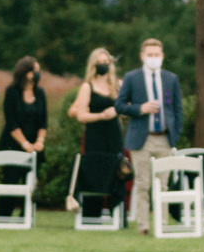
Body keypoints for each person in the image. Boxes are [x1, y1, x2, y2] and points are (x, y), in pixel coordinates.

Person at [115, 38, 184, 233]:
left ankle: (162, 223)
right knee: (143, 183)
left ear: (162, 56)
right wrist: (140, 108)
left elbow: (177, 108)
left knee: (163, 184)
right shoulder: (132, 77)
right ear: (142, 56)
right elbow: (119, 105)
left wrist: (175, 132)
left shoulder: (171, 78)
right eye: (150, 55)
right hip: (141, 138)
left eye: (157, 55)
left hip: (164, 137)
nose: (153, 58)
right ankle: (143, 225)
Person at [68, 46, 126, 221]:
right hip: (95, 133)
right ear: (93, 65)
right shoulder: (87, 87)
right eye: (100, 62)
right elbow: (80, 114)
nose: (103, 65)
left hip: (113, 134)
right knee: (96, 171)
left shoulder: (118, 85)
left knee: (117, 170)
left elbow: (126, 108)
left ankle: (118, 215)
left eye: (106, 62)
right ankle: (92, 215)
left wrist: (117, 111)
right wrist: (101, 115)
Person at [0, 56, 48, 220]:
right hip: (14, 143)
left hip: (35, 145)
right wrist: (25, 143)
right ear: (27, 73)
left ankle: (26, 216)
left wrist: (39, 142)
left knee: (31, 182)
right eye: (36, 70)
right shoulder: (12, 92)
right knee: (10, 180)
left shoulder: (40, 93)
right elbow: (11, 122)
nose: (38, 73)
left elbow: (43, 121)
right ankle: (3, 216)